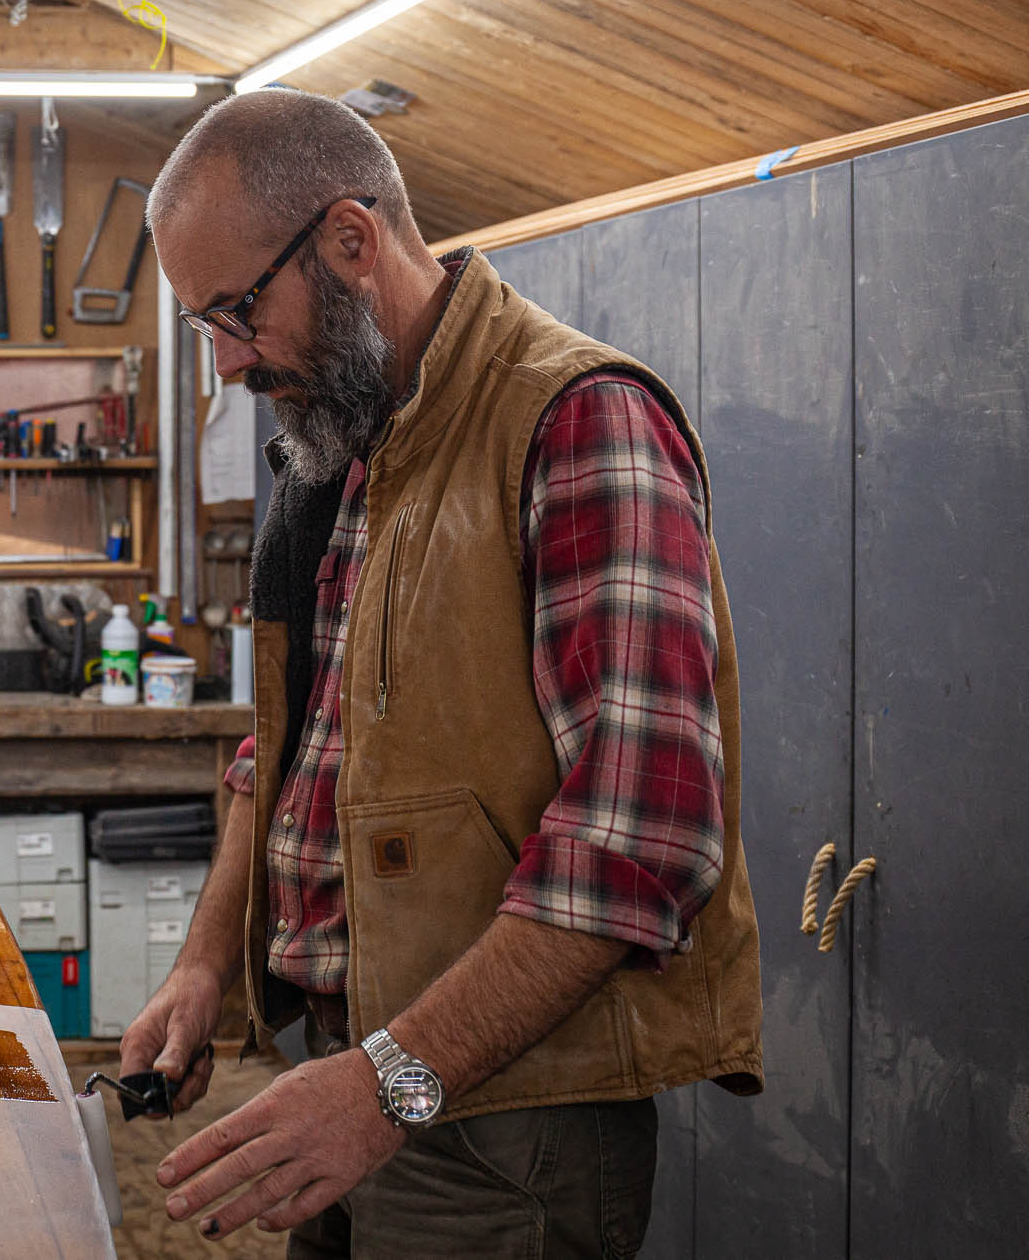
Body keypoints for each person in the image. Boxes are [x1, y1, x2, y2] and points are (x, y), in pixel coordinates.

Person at [123, 88, 763, 1257]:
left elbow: (642, 841)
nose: (223, 364)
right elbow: (286, 747)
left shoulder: (573, 423)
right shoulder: (349, 443)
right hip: (348, 1087)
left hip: (499, 1134)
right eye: (199, 326)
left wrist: (383, 1088)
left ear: (350, 245)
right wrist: (207, 959)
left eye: (233, 311)